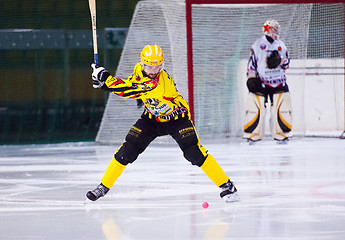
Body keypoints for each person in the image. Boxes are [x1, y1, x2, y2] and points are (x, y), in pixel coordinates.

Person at [86, 44, 238, 202]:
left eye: (158, 66)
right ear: (142, 64)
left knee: (194, 153)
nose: (153, 71)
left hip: (177, 119)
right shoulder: (138, 69)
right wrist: (102, 84)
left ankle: (227, 185)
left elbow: (130, 91)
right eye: (150, 67)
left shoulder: (160, 83)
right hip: (151, 118)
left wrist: (105, 79)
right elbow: (133, 83)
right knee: (126, 151)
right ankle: (103, 187)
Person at [243, 19, 292, 144]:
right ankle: (253, 135)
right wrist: (251, 78)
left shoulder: (281, 44)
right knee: (256, 107)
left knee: (281, 109)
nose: (276, 30)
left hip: (279, 81)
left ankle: (282, 134)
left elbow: (286, 63)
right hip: (261, 82)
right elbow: (252, 62)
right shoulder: (257, 44)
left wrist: (279, 61)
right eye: (273, 28)